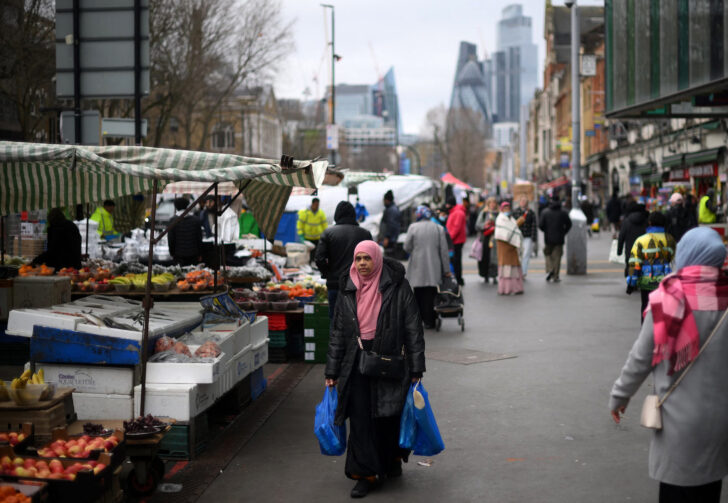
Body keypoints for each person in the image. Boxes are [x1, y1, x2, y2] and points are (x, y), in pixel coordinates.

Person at [609, 227, 728, 503]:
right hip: (720, 421)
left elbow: (640, 358)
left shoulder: (669, 298)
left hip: (678, 423)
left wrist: (619, 396)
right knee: (709, 491)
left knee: (676, 491)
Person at [324, 241, 425, 499]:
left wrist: (416, 368)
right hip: (355, 361)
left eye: (366, 258)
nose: (362, 264)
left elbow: (413, 328)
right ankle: (365, 474)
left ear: (377, 259)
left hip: (388, 360)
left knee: (387, 414)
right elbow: (337, 334)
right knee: (360, 418)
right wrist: (331, 372)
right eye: (358, 259)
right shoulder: (348, 287)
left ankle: (390, 460)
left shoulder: (397, 286)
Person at [315, 201, 372, 318]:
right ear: (353, 215)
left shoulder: (328, 233)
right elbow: (373, 259)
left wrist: (327, 273)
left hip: (335, 284)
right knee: (358, 320)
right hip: (359, 286)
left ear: (337, 215)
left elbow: (319, 259)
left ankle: (336, 337)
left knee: (335, 320)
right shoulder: (365, 234)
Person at [404, 206, 451, 328]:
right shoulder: (438, 228)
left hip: (417, 266)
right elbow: (444, 251)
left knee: (418, 294)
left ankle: (418, 320)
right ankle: (430, 320)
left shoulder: (413, 227)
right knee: (431, 294)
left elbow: (406, 247)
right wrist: (446, 270)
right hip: (434, 267)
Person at [626, 212, 676, 323]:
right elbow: (673, 260)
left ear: (650, 223)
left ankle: (646, 333)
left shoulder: (641, 240)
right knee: (663, 310)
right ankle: (661, 335)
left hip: (646, 282)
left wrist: (631, 283)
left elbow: (635, 263)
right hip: (664, 282)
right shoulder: (670, 240)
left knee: (646, 308)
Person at [539, 196, 572, 283]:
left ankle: (550, 268)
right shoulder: (563, 212)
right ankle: (556, 276)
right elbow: (569, 224)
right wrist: (564, 232)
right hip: (559, 238)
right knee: (557, 257)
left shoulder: (545, 212)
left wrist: (546, 231)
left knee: (547, 252)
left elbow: (541, 225)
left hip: (548, 238)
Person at [495, 201, 524, 295]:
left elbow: (513, 229)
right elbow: (504, 232)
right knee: (506, 270)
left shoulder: (511, 218)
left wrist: (516, 224)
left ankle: (516, 288)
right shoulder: (500, 219)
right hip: (504, 247)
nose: (507, 210)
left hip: (512, 247)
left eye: (508, 208)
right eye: (505, 208)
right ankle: (505, 289)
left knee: (514, 269)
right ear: (502, 209)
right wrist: (517, 223)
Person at [167, 197, 203, 266]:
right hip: (193, 255)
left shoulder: (173, 221)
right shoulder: (195, 220)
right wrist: (200, 253)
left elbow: (171, 239)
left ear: (176, 207)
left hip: (178, 255)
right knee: (192, 275)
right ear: (187, 206)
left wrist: (171, 253)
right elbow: (199, 238)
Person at [618, 201, 649, 277]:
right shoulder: (647, 221)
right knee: (644, 266)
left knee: (630, 266)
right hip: (645, 250)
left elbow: (621, 237)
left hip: (630, 251)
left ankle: (630, 283)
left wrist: (619, 251)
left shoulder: (626, 222)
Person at [475, 197, 499, 283]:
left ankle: (494, 275)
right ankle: (485, 275)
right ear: (488, 204)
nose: (492, 205)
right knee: (485, 257)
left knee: (494, 257)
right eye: (490, 203)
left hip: (495, 238)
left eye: (494, 203)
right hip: (485, 238)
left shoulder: (498, 214)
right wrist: (485, 224)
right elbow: (477, 225)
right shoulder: (484, 213)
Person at [511, 196, 536, 277]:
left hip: (527, 235)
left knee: (526, 254)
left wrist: (534, 237)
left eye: (525, 201)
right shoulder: (515, 212)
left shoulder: (531, 212)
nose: (523, 203)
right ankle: (518, 270)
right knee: (518, 254)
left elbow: (534, 225)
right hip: (517, 236)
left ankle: (523, 272)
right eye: (522, 201)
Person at [297, 197, 328, 262]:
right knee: (308, 253)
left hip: (318, 237)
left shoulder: (321, 213)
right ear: (312, 204)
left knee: (317, 253)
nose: (317, 206)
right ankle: (309, 264)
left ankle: (314, 264)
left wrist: (326, 234)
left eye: (318, 205)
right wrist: (301, 235)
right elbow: (300, 224)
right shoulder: (305, 213)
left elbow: (324, 225)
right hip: (307, 238)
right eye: (316, 205)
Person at [445, 197, 467, 286]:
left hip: (456, 241)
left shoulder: (457, 212)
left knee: (456, 261)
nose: (446, 206)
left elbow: (456, 227)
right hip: (455, 240)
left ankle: (458, 278)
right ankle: (458, 278)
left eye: (447, 204)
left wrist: (449, 239)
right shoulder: (455, 211)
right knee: (456, 260)